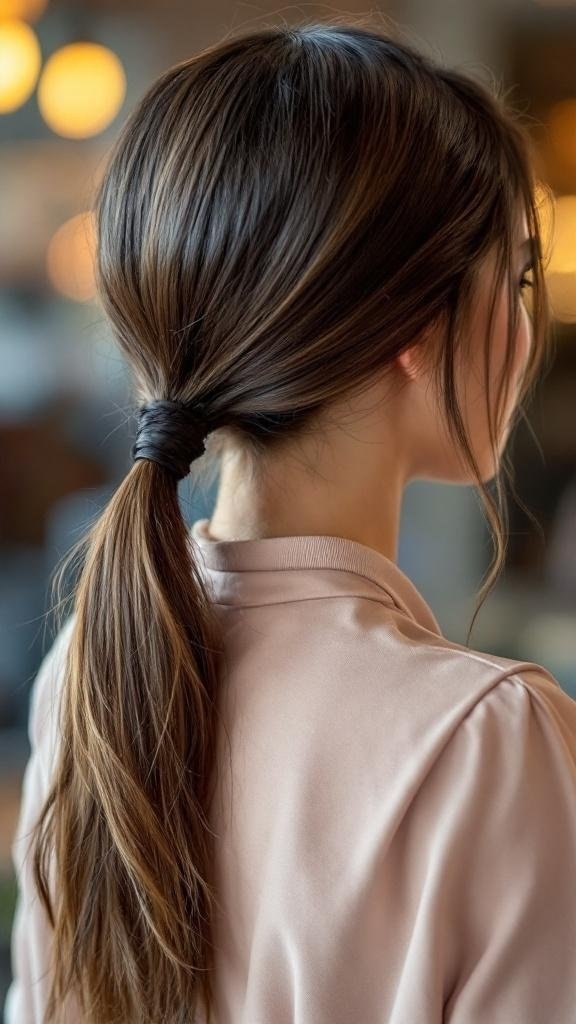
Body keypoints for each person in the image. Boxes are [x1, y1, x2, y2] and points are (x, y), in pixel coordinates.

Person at [5, 19, 576, 1024]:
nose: (525, 327)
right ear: (416, 326)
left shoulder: (87, 675)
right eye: (516, 277)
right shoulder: (492, 743)